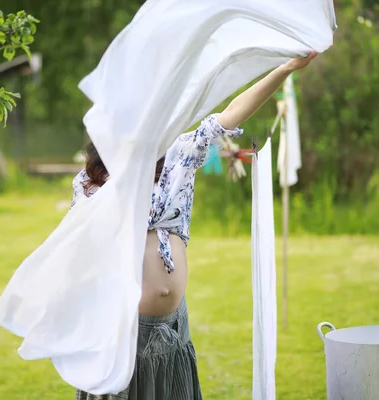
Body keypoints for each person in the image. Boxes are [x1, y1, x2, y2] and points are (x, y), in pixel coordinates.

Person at [72, 52, 318, 400]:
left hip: (174, 333)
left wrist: (286, 68)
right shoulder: (91, 182)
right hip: (121, 336)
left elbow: (228, 116)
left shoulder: (177, 155)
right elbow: (81, 254)